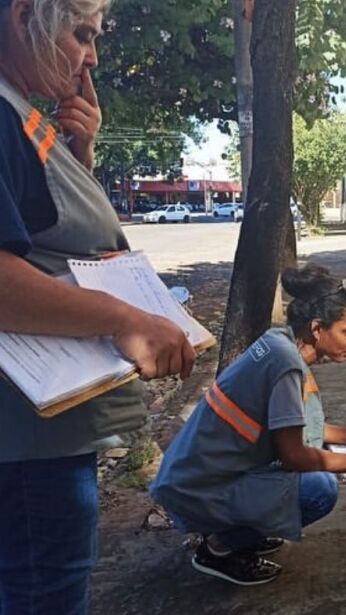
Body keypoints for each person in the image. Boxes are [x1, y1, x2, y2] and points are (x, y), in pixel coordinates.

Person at [0, 1, 196, 613]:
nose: (92, 56)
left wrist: (79, 153)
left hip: (45, 429)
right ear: (25, 16)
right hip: (30, 441)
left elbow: (46, 236)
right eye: (82, 33)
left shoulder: (25, 114)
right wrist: (126, 321)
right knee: (44, 592)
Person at [151, 264, 346, 587]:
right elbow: (295, 455)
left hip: (192, 478)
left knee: (311, 475)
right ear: (317, 329)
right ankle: (220, 547)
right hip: (195, 492)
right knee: (318, 489)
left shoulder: (279, 344)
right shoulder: (287, 366)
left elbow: (295, 426)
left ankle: (239, 532)